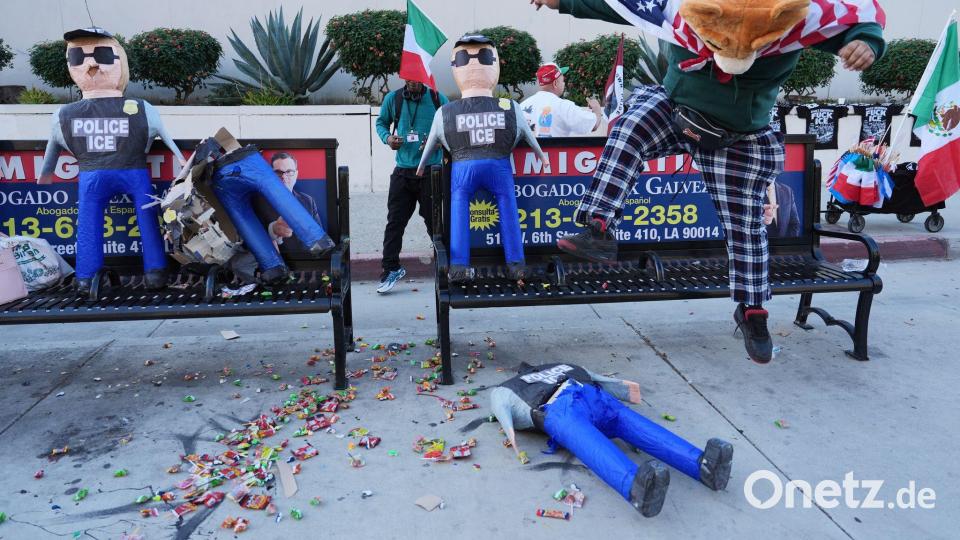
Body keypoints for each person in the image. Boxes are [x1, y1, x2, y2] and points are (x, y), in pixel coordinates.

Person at [534, 0, 884, 364]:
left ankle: (752, 310)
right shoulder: (679, 7)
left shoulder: (792, 18)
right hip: (676, 107)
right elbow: (620, 4)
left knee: (745, 225)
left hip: (737, 134)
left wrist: (865, 41)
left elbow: (850, 18)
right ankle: (599, 227)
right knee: (629, 128)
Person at [489, 362, 733, 518]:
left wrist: (514, 440)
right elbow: (597, 378)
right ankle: (654, 480)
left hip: (575, 402)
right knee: (612, 432)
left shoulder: (506, 388)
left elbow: (502, 411)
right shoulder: (559, 365)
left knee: (602, 437)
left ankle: (698, 466)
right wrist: (627, 391)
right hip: (575, 402)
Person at [375, 79, 449, 293]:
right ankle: (390, 269)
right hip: (403, 171)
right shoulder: (394, 98)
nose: (414, 83)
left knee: (435, 223)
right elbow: (381, 123)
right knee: (394, 223)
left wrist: (436, 142)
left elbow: (449, 127)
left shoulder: (437, 98)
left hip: (431, 170)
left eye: (418, 78)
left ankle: (445, 267)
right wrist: (388, 138)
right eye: (410, 78)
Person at [258, 152, 324, 256]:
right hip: (276, 263)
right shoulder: (258, 201)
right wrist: (273, 230)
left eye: (289, 172)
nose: (284, 177)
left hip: (307, 261)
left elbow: (319, 239)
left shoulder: (308, 201)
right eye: (278, 173)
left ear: (296, 174)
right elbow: (249, 238)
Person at [520, 63, 604, 137]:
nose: (564, 84)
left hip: (526, 155)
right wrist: (597, 109)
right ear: (555, 83)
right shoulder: (563, 106)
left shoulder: (522, 106)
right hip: (553, 155)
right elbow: (593, 124)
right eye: (563, 80)